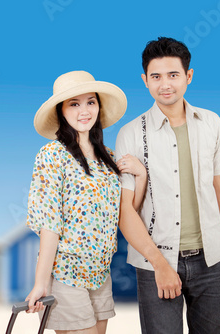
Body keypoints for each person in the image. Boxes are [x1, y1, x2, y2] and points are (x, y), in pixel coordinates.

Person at [115, 37, 220, 334]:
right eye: (156, 77)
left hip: (211, 260)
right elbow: (125, 213)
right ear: (145, 81)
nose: (165, 84)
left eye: (173, 75)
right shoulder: (130, 134)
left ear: (188, 76)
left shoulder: (211, 123)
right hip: (156, 262)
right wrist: (160, 265)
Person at [25, 70, 147, 334]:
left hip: (101, 273)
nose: (84, 110)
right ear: (61, 111)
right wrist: (40, 282)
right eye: (74, 103)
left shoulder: (109, 160)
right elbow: (50, 224)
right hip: (66, 273)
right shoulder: (52, 155)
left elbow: (127, 213)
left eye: (90, 102)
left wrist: (141, 175)